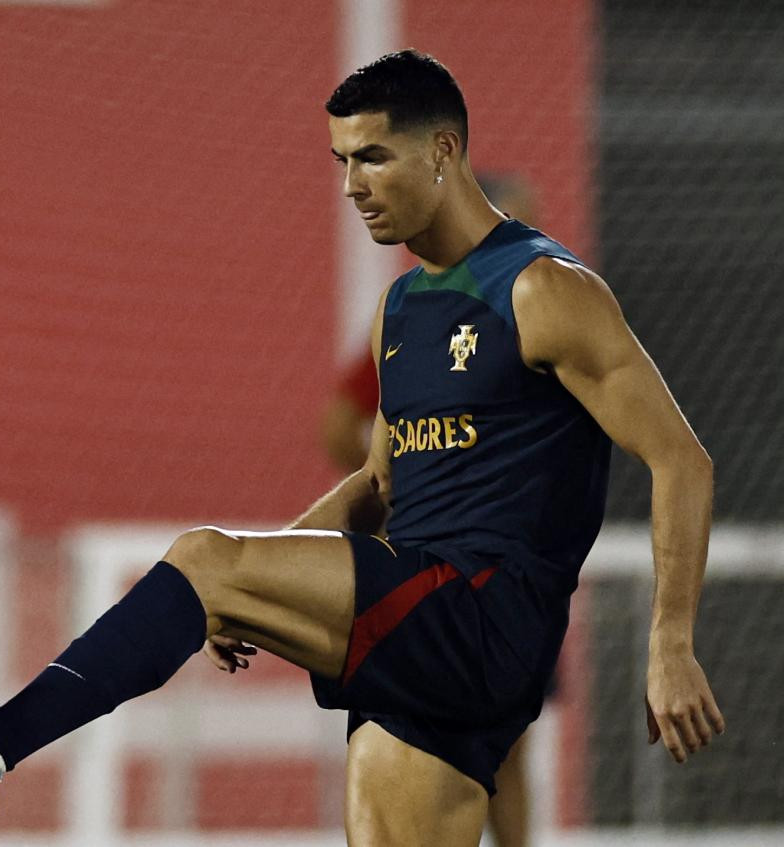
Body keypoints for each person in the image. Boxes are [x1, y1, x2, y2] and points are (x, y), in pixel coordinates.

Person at [0, 50, 724, 846]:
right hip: (425, 630)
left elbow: (682, 458)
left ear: (444, 151)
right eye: (340, 160)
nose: (353, 183)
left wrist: (671, 643)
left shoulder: (545, 289)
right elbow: (377, 482)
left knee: (203, 555)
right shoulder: (400, 311)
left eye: (374, 156)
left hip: (484, 615)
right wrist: (264, 581)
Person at [322, 171, 543, 847]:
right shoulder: (417, 318)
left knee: (508, 741)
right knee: (408, 734)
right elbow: (341, 429)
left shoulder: (549, 314)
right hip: (426, 565)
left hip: (510, 566)